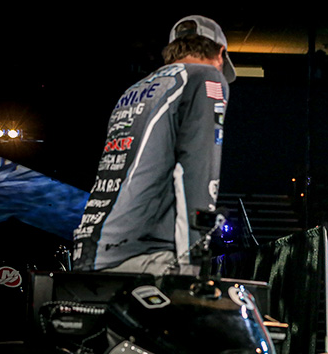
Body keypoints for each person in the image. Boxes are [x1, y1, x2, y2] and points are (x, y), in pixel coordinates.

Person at [72, 15, 236, 275]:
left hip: (94, 249)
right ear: (220, 53)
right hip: (150, 254)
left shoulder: (133, 90)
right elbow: (197, 171)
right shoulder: (207, 78)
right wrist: (192, 258)